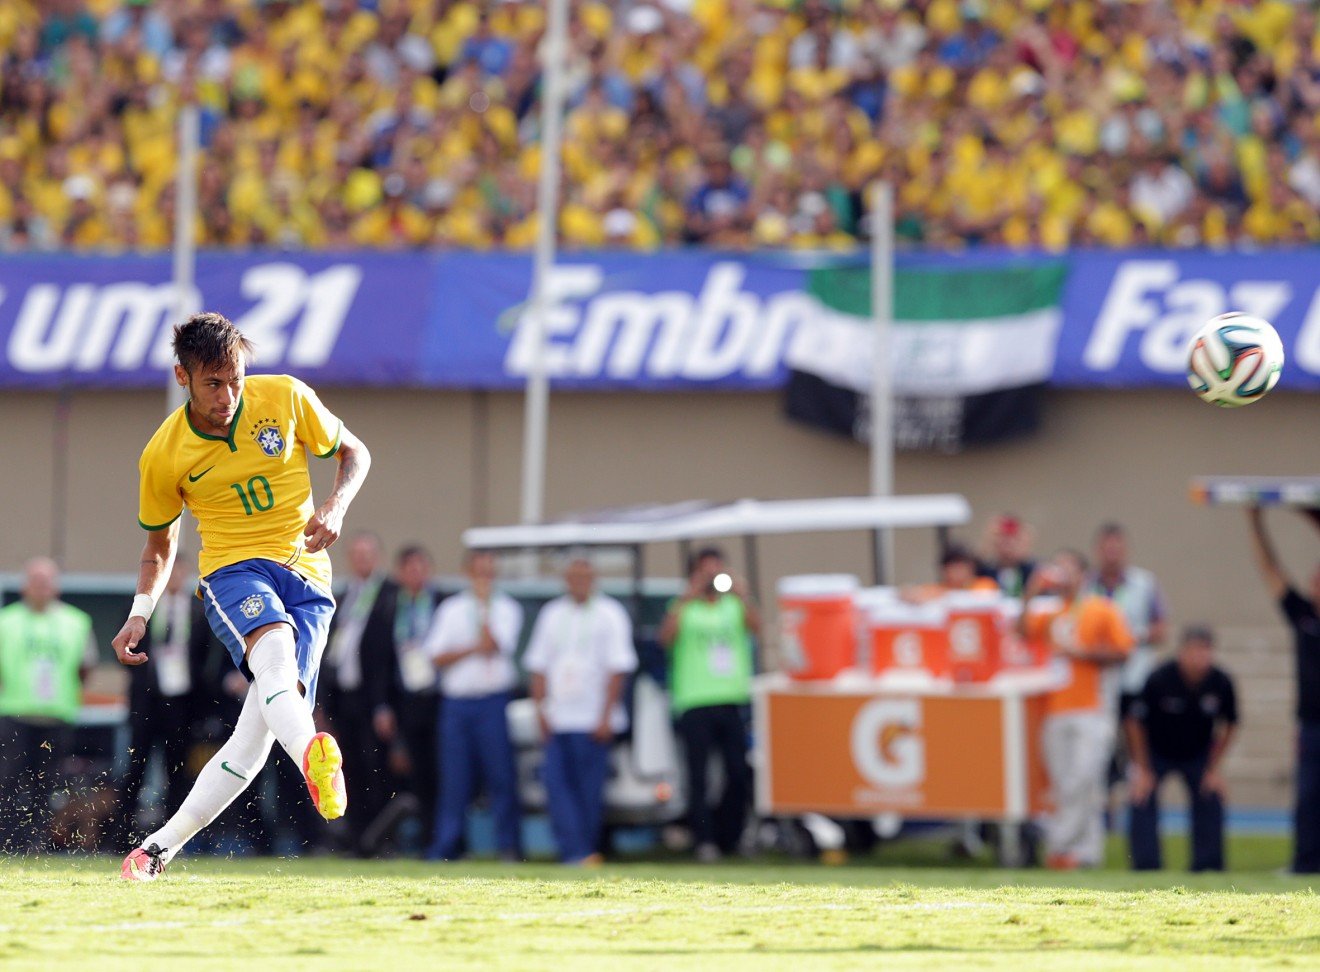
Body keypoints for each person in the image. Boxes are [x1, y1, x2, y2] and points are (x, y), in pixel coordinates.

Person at [112, 311, 371, 880]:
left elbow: (356, 453)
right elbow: (159, 547)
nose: (228, 394)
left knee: (252, 739)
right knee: (274, 661)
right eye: (213, 383)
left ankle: (158, 850)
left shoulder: (284, 397)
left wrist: (335, 506)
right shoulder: (164, 453)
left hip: (307, 574)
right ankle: (313, 754)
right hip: (233, 572)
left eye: (235, 378)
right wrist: (140, 612)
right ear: (183, 378)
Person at [1020, 549, 1133, 869]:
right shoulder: (1052, 613)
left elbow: (1123, 651)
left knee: (1082, 778)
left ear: (1083, 575)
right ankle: (1086, 853)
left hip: (1091, 708)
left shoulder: (1100, 609)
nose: (1060, 574)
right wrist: (1031, 592)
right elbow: (1021, 630)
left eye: (1067, 568)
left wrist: (1081, 652)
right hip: (1055, 708)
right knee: (1065, 783)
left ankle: (1060, 846)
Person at [525, 557, 637, 866]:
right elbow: (538, 666)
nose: (579, 582)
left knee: (588, 790)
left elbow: (618, 668)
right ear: (565, 579)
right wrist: (540, 709)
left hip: (591, 717)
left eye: (585, 576)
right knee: (556, 786)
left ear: (594, 579)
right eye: (573, 576)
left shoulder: (610, 614)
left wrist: (606, 715)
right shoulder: (551, 614)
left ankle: (584, 850)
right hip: (559, 716)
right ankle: (572, 850)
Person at [658, 546, 761, 863]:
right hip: (694, 700)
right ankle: (703, 840)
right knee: (698, 776)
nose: (712, 578)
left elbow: (756, 628)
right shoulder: (684, 606)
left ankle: (731, 835)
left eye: (717, 571)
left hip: (730, 698)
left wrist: (742, 594)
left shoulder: (732, 605)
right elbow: (665, 640)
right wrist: (686, 598)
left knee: (738, 772)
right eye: (706, 572)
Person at [423, 549, 523, 861]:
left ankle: (508, 847)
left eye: (489, 573)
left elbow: (495, 644)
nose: (484, 579)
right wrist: (472, 648)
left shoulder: (506, 608)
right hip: (457, 705)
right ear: (468, 573)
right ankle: (447, 847)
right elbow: (436, 656)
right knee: (454, 780)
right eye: (479, 572)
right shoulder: (452, 608)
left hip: (492, 702)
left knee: (501, 777)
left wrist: (483, 615)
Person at [115, 558, 213, 849]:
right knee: (136, 766)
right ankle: (121, 836)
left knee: (178, 770)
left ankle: (175, 839)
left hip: (182, 703)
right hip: (147, 699)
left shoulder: (197, 611)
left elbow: (205, 657)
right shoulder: (142, 612)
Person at [0, 557, 95, 854]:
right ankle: (7, 840)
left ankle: (38, 842)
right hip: (15, 713)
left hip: (57, 716)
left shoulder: (77, 622)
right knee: (8, 783)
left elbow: (85, 666)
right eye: (35, 582)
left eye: (46, 582)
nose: (41, 589)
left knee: (49, 785)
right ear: (24, 587)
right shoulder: (6, 620)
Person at [1126, 626, 1238, 872]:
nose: (1202, 658)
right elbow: (1134, 722)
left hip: (1198, 754)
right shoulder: (1159, 679)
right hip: (1157, 752)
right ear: (1182, 653)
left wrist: (1213, 768)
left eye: (1207, 651)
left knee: (1211, 794)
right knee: (1141, 795)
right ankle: (1146, 865)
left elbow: (1230, 724)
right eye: (1196, 651)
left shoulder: (1220, 682)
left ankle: (1207, 865)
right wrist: (1142, 769)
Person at [1246, 506, 1320, 873]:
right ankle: (1305, 866)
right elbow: (1270, 570)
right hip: (1310, 726)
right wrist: (1254, 521)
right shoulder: (1303, 615)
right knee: (1307, 799)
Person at [362, 545, 441, 853]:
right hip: (404, 702)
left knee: (438, 773)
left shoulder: (441, 602)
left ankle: (438, 841)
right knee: (406, 772)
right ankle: (404, 841)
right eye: (409, 568)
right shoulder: (390, 606)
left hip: (436, 700)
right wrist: (382, 705)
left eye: (421, 567)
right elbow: (380, 661)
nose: (416, 573)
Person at [321, 531, 387, 854]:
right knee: (350, 771)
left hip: (372, 700)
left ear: (376, 557)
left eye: (367, 553)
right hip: (344, 699)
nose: (361, 559)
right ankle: (357, 840)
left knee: (377, 769)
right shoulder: (344, 595)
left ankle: (381, 839)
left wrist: (384, 705)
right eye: (356, 553)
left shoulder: (387, 595)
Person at [1088, 522, 1169, 708]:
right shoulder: (1086, 585)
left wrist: (1131, 636)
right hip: (1096, 677)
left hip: (1136, 675)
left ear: (1126, 550)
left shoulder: (1145, 583)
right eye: (1106, 549)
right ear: (1097, 550)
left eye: (1116, 549)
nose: (1111, 555)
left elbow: (1161, 630)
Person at [979, 514, 1036, 600]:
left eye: (1015, 539)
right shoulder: (985, 571)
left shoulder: (1033, 572)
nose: (1009, 544)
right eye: (1003, 539)